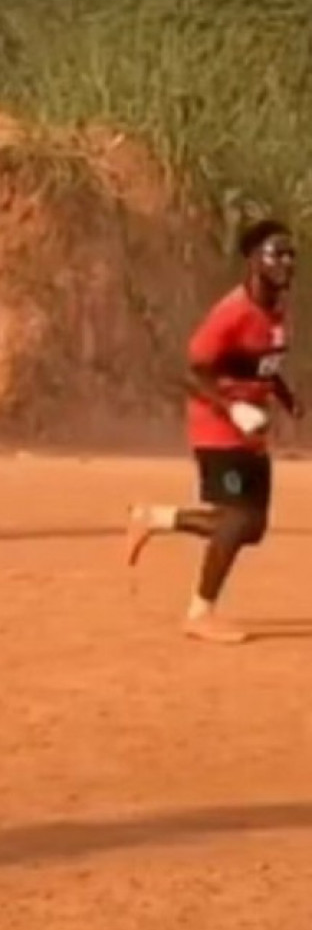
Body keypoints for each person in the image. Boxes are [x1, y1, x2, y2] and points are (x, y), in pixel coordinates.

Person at [126, 218, 298, 644]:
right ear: (254, 260)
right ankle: (200, 613)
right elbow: (190, 371)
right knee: (238, 520)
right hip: (218, 428)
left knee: (251, 526)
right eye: (278, 253)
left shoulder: (275, 310)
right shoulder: (232, 312)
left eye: (292, 254)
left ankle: (154, 517)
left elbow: (261, 363)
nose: (287, 263)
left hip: (250, 428)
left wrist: (286, 396)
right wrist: (233, 407)